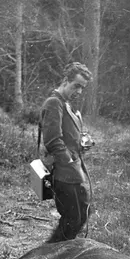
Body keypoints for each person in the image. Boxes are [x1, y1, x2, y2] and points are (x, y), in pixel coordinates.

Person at [40, 62, 93, 243]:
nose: (79, 91)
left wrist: (82, 142)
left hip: (73, 171)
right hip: (63, 172)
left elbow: (68, 135)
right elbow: (52, 140)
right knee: (73, 219)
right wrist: (69, 160)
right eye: (76, 86)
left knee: (83, 213)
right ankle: (50, 254)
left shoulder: (66, 104)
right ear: (65, 81)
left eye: (82, 88)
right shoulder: (54, 103)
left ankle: (58, 251)